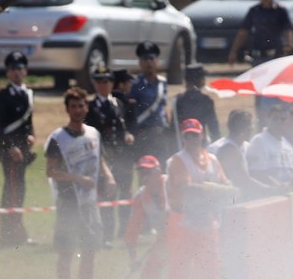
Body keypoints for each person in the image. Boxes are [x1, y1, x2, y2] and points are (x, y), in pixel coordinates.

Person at [45, 86, 114, 279]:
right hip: (68, 203)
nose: (77, 110)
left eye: (81, 105)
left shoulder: (94, 134)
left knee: (89, 252)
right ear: (67, 109)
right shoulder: (58, 138)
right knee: (66, 253)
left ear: (86, 107)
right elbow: (51, 171)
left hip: (89, 203)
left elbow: (100, 158)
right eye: (73, 106)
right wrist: (78, 179)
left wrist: (109, 176)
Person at [164, 119, 232, 279]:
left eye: (195, 134)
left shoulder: (211, 159)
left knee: (210, 268)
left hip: (207, 220)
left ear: (202, 135)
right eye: (188, 135)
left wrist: (227, 186)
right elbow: (186, 186)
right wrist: (216, 189)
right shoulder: (178, 160)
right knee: (179, 270)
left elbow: (224, 180)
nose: (192, 139)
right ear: (183, 137)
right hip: (183, 221)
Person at [0, 50, 37, 247]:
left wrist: (31, 134)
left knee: (19, 191)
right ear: (7, 73)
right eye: (12, 69)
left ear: (25, 71)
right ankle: (8, 235)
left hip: (24, 150)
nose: (16, 72)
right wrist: (9, 147)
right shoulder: (2, 96)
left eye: (19, 68)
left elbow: (28, 122)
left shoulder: (27, 94)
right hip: (10, 152)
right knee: (11, 191)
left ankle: (17, 232)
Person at [85, 69, 133, 244]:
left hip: (122, 156)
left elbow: (124, 124)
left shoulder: (119, 103)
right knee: (107, 196)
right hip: (104, 157)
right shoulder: (90, 107)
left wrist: (127, 133)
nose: (103, 85)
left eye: (106, 81)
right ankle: (107, 235)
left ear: (112, 83)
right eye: (99, 82)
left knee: (126, 193)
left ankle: (125, 231)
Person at [122, 155, 169, 279]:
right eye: (142, 173)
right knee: (148, 276)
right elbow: (132, 230)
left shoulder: (172, 184)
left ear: (159, 171)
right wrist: (133, 258)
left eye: (149, 172)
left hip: (188, 237)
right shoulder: (141, 197)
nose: (145, 177)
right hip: (164, 242)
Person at [227, 0, 293, 66]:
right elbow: (243, 32)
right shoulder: (254, 11)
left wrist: (288, 47)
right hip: (258, 57)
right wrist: (233, 51)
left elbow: (287, 31)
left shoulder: (280, 10)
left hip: (275, 57)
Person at [129, 43, 174, 172]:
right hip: (143, 133)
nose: (149, 63)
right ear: (140, 63)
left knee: (163, 169)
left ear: (157, 61)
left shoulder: (162, 83)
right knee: (145, 171)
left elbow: (163, 107)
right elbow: (130, 111)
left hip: (160, 133)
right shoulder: (135, 84)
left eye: (151, 59)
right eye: (145, 59)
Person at [208, 109, 266, 201]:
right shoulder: (224, 148)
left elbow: (256, 173)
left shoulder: (247, 146)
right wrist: (270, 189)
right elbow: (241, 180)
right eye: (250, 127)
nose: (252, 129)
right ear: (245, 130)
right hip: (226, 200)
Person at [244, 103, 293, 192]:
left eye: (282, 119)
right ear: (267, 120)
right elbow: (257, 173)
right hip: (269, 195)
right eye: (275, 119)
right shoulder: (259, 141)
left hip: (288, 193)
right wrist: (279, 186)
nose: (279, 122)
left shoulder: (288, 146)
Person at [175, 65, 221, 144]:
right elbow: (213, 127)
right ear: (200, 80)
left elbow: (174, 128)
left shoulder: (179, 100)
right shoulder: (206, 100)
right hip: (201, 144)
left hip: (184, 144)